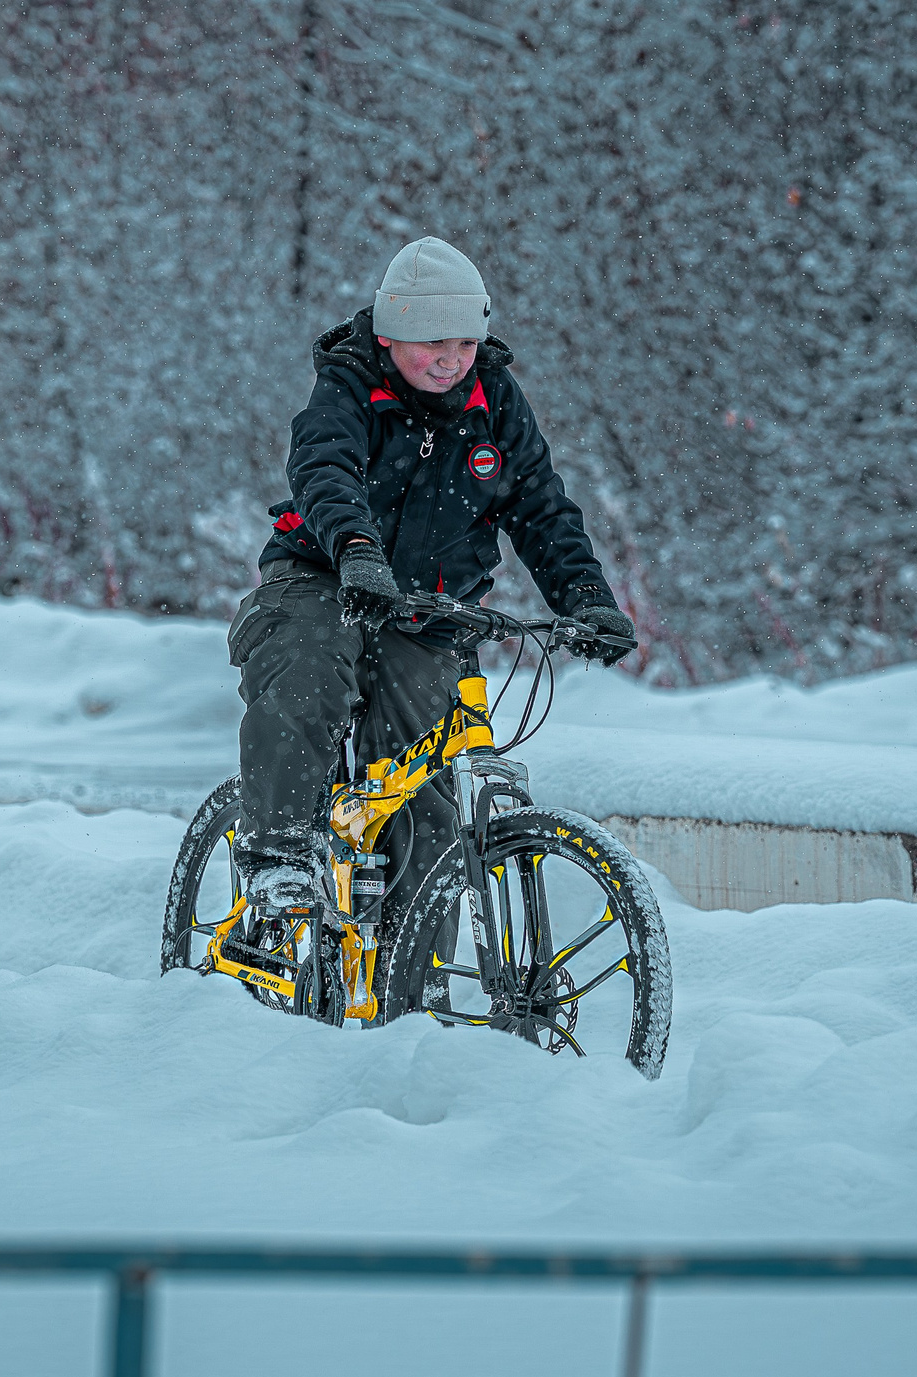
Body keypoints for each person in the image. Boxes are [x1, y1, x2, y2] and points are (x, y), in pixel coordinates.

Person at [229, 235, 637, 925]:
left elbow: (540, 507)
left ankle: (409, 977)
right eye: (431, 343)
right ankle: (278, 857)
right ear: (389, 335)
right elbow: (324, 469)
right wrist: (356, 547)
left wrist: (588, 598)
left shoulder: (495, 403)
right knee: (310, 669)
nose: (450, 360)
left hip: (426, 607)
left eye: (465, 344)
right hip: (323, 573)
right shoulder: (350, 384)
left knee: (426, 786)